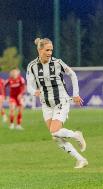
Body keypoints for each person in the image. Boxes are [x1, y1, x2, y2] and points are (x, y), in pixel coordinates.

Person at [26, 38, 88, 169]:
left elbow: (73, 75)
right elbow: (29, 86)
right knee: (55, 137)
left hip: (62, 101)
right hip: (46, 105)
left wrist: (75, 94)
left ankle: (76, 134)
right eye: (47, 50)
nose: (50, 52)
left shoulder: (57, 63)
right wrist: (34, 92)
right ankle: (81, 159)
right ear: (40, 49)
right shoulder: (32, 66)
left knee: (54, 131)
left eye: (51, 50)